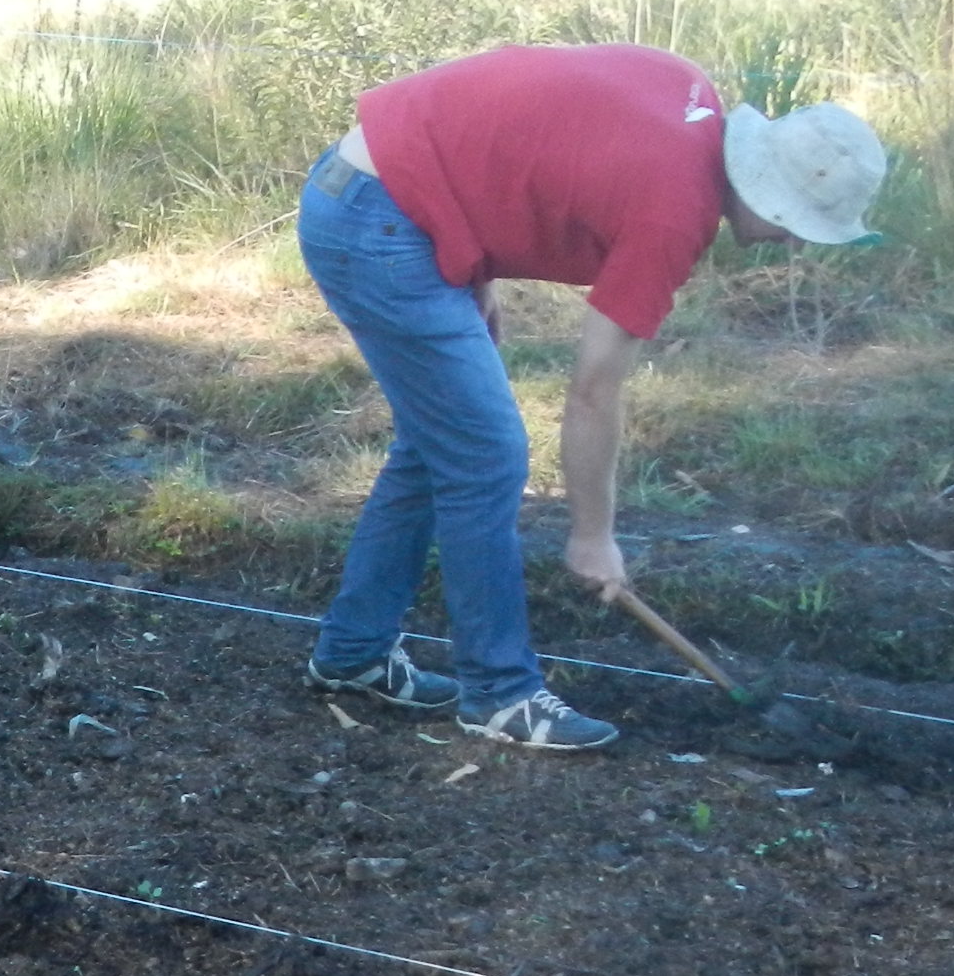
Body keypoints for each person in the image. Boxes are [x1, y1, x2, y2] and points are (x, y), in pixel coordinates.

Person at [296, 44, 886, 752]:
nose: (794, 245)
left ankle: (354, 652)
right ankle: (500, 696)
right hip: (380, 223)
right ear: (765, 192)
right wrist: (591, 535)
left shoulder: (688, 87)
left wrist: (472, 269)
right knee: (485, 457)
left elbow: (517, 127)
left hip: (373, 190)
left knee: (439, 447)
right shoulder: (673, 214)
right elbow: (594, 391)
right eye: (795, 225)